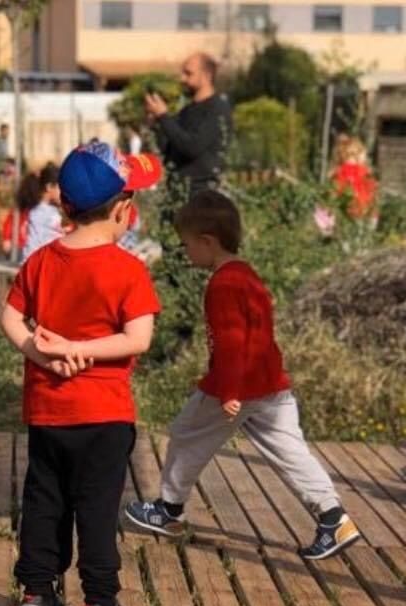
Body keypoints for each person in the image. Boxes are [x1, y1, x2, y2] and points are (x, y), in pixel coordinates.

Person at [124, 190, 361, 561]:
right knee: (290, 451)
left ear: (207, 241)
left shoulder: (223, 284)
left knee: (186, 434)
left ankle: (169, 511)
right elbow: (254, 337)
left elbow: (233, 342)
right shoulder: (246, 275)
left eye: (187, 246)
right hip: (271, 385)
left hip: (238, 386)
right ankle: (334, 517)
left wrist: (229, 389)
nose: (185, 253)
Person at [1, 139, 162, 606]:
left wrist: (41, 350)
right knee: (96, 506)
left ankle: (37, 597)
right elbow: (139, 338)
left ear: (64, 205)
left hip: (49, 410)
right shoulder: (128, 269)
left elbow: (8, 316)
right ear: (123, 211)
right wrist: (81, 348)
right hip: (104, 414)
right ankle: (100, 604)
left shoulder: (42, 262)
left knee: (45, 500)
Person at [144, 53, 233, 198]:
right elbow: (167, 150)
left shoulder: (217, 109)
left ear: (206, 75)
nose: (182, 79)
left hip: (201, 196)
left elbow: (192, 147)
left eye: (188, 73)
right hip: (176, 193)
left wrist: (163, 116)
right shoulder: (186, 111)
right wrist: (155, 124)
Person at [330, 135, 377, 222]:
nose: (365, 157)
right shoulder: (355, 171)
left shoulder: (341, 171)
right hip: (358, 211)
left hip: (353, 212)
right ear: (353, 155)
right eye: (363, 153)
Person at [22, 163, 65, 261]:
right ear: (49, 187)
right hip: (39, 266)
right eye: (61, 188)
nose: (63, 192)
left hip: (30, 263)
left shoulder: (36, 209)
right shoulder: (49, 214)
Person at [2, 171, 40, 257]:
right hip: (23, 248)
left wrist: (6, 239)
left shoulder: (19, 210)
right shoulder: (21, 210)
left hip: (22, 248)